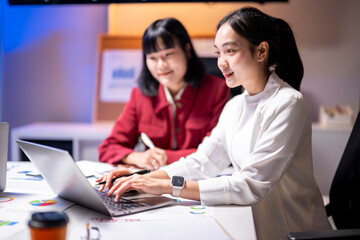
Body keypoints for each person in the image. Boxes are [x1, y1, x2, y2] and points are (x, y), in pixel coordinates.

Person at [97, 7, 331, 239]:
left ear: (261, 52)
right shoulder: (235, 106)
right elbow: (203, 162)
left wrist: (167, 186)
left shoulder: (288, 103)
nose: (221, 62)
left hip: (292, 230)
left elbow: (251, 185)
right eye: (218, 53)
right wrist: (144, 176)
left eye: (229, 51)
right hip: (253, 223)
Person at [98, 18, 229, 170]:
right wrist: (137, 157)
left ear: (187, 50)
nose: (161, 65)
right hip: (151, 184)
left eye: (168, 55)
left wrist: (165, 157)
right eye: (153, 58)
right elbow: (107, 148)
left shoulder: (217, 90)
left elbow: (216, 153)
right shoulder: (139, 96)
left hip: (197, 183)